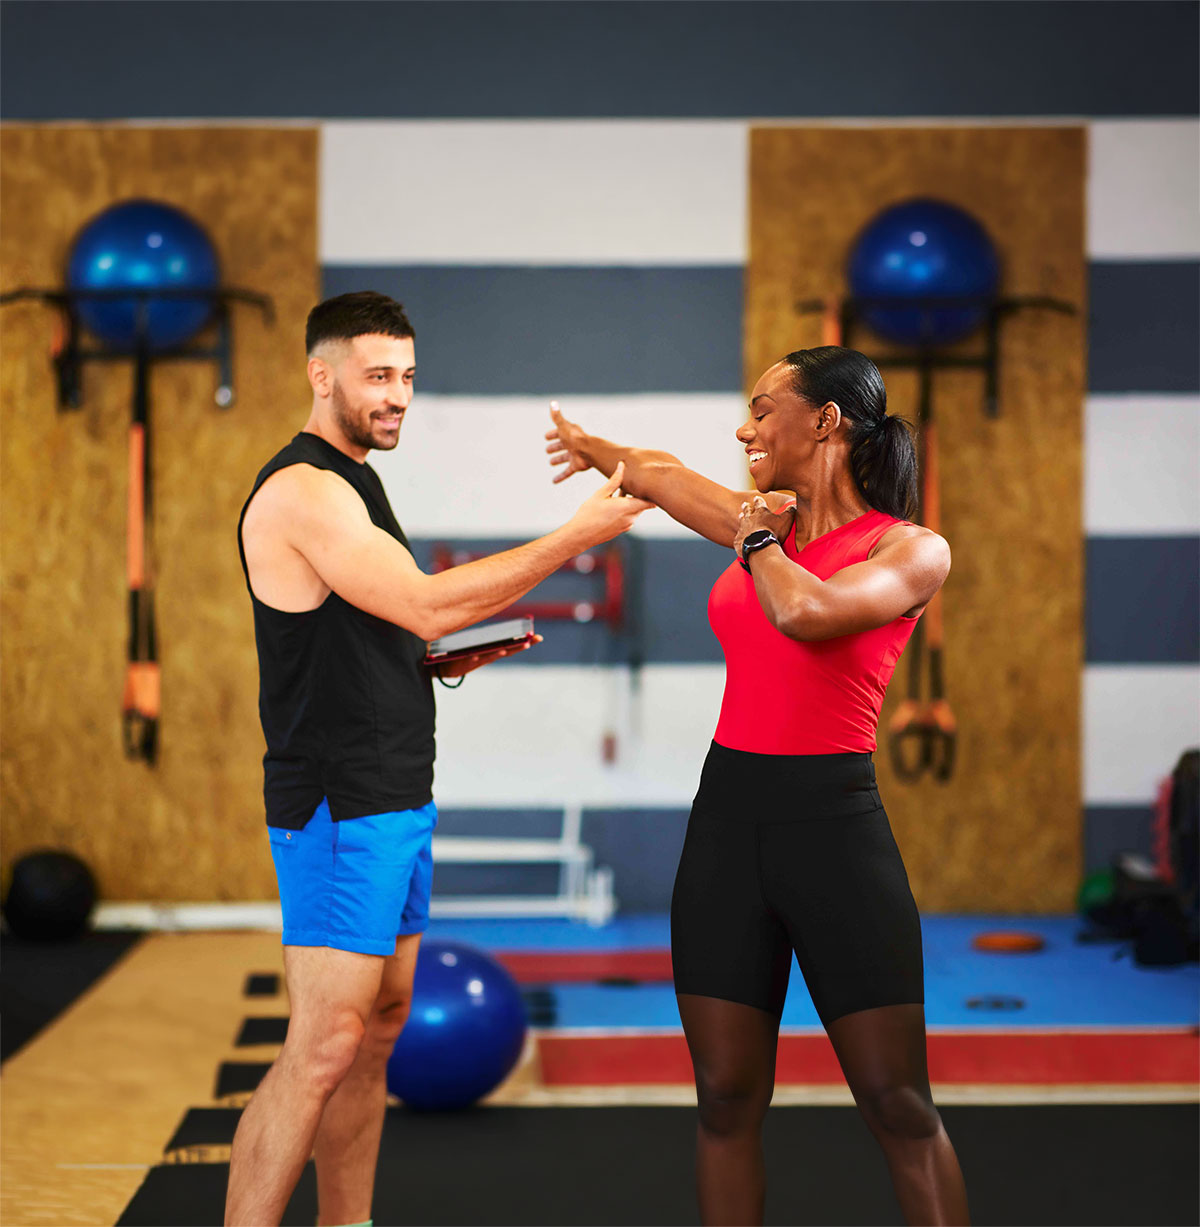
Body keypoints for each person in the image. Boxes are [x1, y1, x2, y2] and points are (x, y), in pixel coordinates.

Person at [226, 291, 650, 1227]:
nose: (398, 398)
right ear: (320, 373)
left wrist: (444, 654)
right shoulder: (303, 488)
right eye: (379, 377)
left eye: (408, 378)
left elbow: (380, 625)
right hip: (339, 801)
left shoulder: (357, 477)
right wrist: (575, 537)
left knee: (375, 1032)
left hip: (395, 792)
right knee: (322, 1042)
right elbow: (420, 601)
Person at [545, 345, 969, 1226]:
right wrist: (592, 445)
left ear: (825, 423)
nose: (745, 428)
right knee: (724, 1097)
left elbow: (806, 612)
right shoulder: (758, 518)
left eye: (763, 408)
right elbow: (660, 474)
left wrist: (756, 532)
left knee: (897, 1101)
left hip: (834, 830)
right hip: (728, 825)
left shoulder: (911, 547)